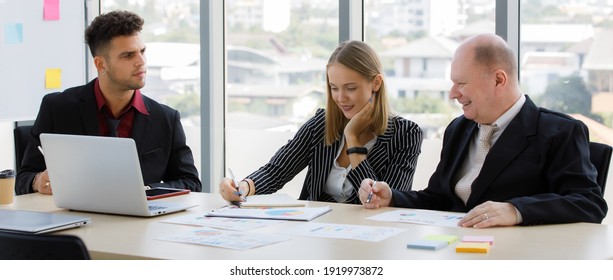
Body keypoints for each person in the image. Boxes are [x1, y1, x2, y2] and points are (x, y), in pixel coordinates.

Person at [359, 33, 607, 227]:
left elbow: (588, 203)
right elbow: (439, 198)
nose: (452, 94)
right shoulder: (458, 128)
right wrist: (392, 197)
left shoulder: (561, 131)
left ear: (499, 80)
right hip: (456, 250)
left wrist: (515, 210)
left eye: (461, 83)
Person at [15, 10, 201, 195]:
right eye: (128, 55)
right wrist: (37, 181)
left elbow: (191, 182)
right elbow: (23, 179)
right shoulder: (57, 108)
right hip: (75, 219)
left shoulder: (166, 118)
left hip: (140, 221)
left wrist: (146, 191)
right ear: (100, 64)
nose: (141, 61)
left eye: (142, 51)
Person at [219, 40, 422, 204]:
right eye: (334, 88)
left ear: (376, 83)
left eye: (350, 88)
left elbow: (382, 201)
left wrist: (353, 140)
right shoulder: (320, 125)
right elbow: (276, 171)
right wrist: (242, 187)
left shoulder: (406, 134)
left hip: (371, 239)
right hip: (316, 237)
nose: (341, 98)